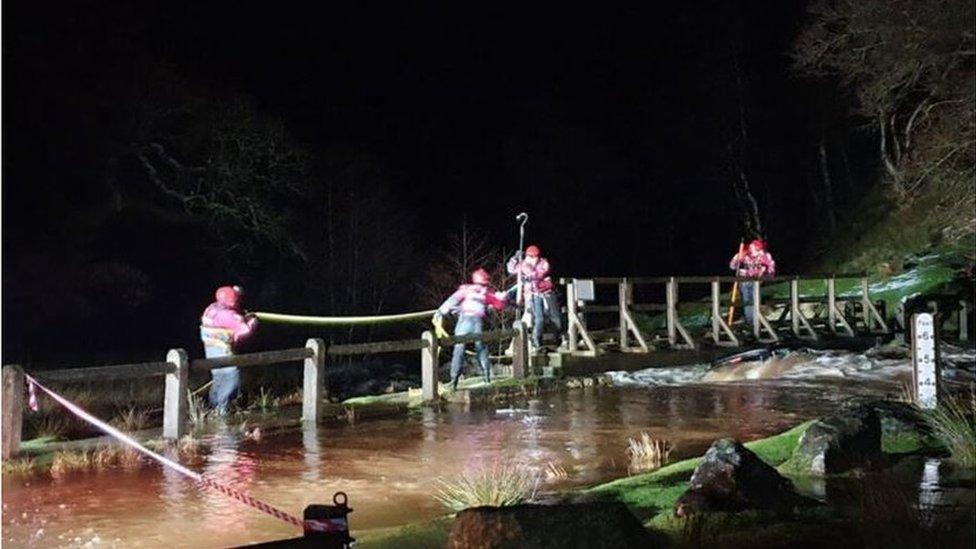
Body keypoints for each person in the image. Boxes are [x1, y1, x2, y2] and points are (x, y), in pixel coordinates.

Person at [432, 268, 507, 390]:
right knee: (481, 347)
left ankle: (454, 380)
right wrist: (502, 298)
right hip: (477, 322)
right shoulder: (487, 293)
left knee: (459, 348)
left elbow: (451, 301)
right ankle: (487, 377)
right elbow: (500, 305)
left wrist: (440, 312)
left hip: (465, 320)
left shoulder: (466, 290)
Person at [200, 285, 259, 414]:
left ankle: (213, 407)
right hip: (223, 350)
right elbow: (244, 331)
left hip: (211, 351)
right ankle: (222, 410)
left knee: (219, 378)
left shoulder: (211, 309)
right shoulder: (227, 315)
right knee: (231, 377)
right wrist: (252, 321)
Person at [507, 245, 563, 350]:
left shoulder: (543, 263)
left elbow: (541, 273)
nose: (535, 259)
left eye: (536, 256)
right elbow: (511, 269)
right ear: (528, 256)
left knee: (551, 317)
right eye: (532, 257)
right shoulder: (523, 265)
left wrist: (530, 278)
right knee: (533, 317)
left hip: (543, 293)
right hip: (531, 294)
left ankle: (554, 338)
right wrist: (515, 258)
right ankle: (534, 340)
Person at [729, 239, 776, 328]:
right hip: (744, 281)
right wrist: (736, 259)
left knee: (755, 300)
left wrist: (766, 273)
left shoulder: (764, 256)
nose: (752, 249)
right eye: (751, 247)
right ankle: (750, 321)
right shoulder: (744, 254)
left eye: (754, 247)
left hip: (756, 282)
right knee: (747, 300)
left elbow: (771, 268)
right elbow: (732, 266)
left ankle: (754, 321)